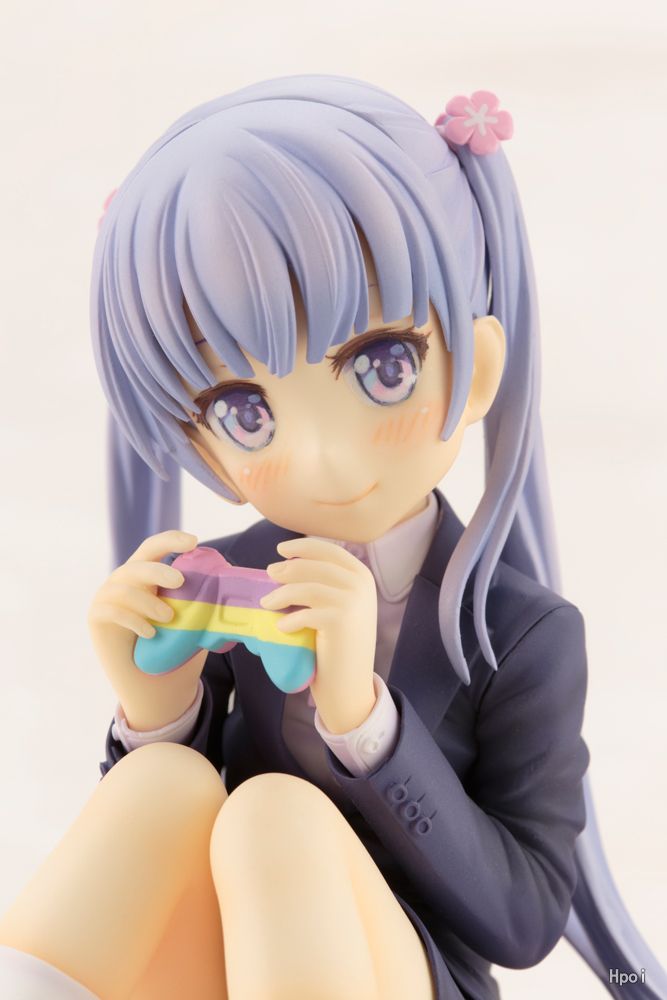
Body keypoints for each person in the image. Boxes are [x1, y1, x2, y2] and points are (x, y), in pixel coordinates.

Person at [0, 76, 664, 1000]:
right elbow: (157, 866)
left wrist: (364, 722)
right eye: (244, 411)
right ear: (203, 446)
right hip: (223, 969)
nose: (319, 454)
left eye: (383, 368)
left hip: (405, 972)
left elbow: (521, 926)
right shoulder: (228, 577)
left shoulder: (522, 634)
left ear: (475, 370)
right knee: (162, 787)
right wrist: (157, 711)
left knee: (275, 812)